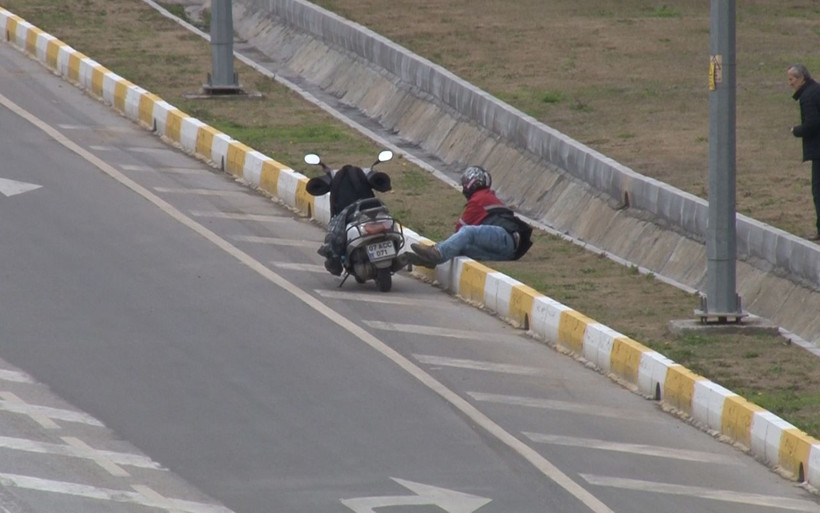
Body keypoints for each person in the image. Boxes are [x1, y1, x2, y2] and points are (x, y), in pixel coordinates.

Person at [409, 165, 532, 268]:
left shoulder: (480, 198)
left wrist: (441, 246)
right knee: (461, 247)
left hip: (504, 237)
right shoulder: (488, 197)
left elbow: (460, 229)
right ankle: (428, 260)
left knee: (467, 232)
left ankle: (437, 253)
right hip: (506, 251)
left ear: (472, 182)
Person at [788, 63, 820, 241]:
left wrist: (796, 130)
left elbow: (812, 124)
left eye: (791, 79)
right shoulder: (816, 90)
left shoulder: (807, 97)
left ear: (802, 78)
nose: (790, 83)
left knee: (818, 190)